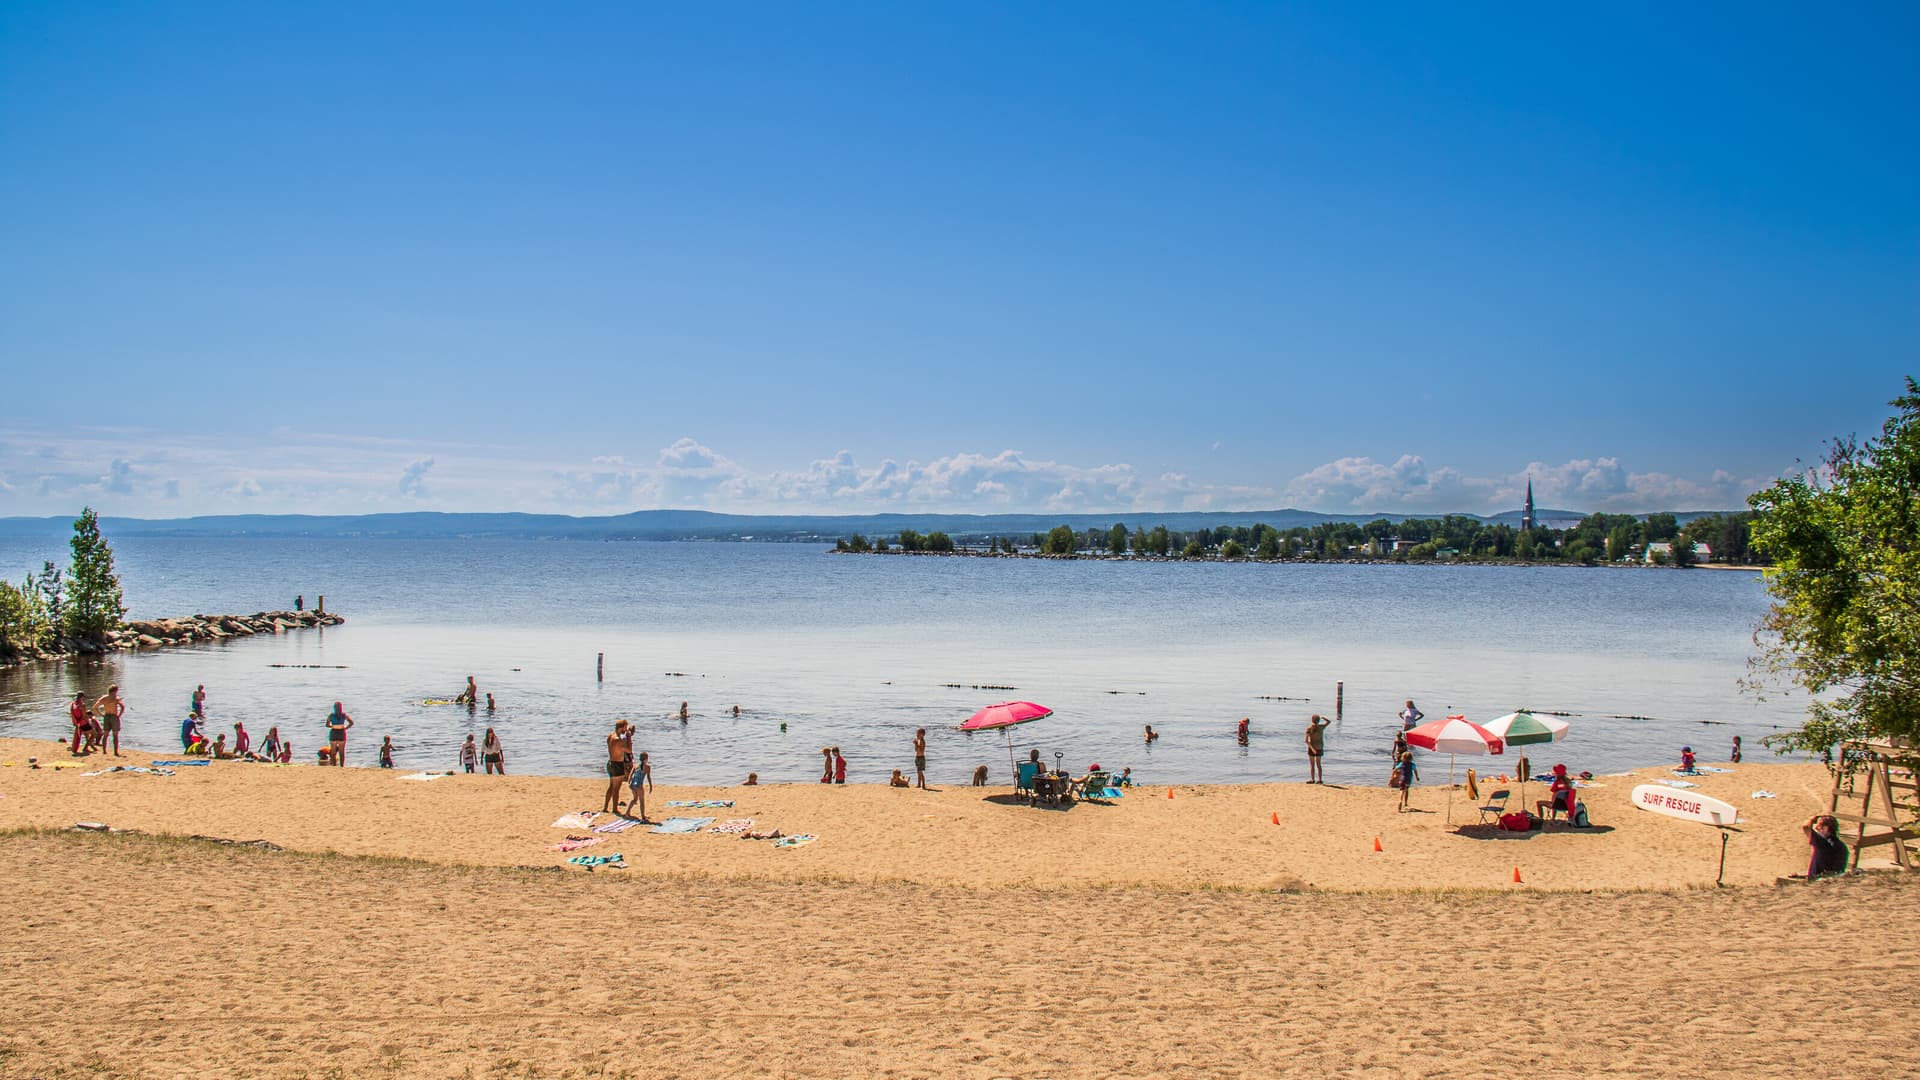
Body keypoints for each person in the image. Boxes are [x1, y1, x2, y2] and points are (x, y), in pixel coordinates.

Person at [604, 721, 633, 814]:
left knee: (611, 786)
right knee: (616, 788)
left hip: (610, 763)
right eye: (625, 727)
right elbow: (629, 750)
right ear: (621, 728)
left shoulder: (610, 736)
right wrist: (629, 737)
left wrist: (626, 736)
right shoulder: (618, 740)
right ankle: (614, 809)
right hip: (617, 764)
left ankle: (605, 807)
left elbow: (620, 743)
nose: (626, 729)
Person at [94, 685, 126, 756]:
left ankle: (104, 751)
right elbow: (122, 707)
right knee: (115, 735)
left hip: (107, 716)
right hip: (114, 717)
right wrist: (119, 715)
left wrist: (101, 714)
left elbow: (95, 707)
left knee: (105, 735)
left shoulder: (104, 698)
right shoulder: (116, 698)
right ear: (115, 691)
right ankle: (115, 752)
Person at [627, 750, 654, 821]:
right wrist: (651, 786)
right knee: (641, 801)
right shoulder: (647, 767)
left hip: (632, 785)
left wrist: (629, 782)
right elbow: (648, 777)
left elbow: (630, 775)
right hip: (639, 785)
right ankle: (643, 816)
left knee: (635, 799)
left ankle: (627, 812)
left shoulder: (635, 765)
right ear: (646, 759)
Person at [325, 702, 353, 766]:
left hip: (334, 732)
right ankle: (341, 766)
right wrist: (346, 728)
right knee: (341, 752)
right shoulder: (344, 715)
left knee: (333, 752)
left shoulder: (331, 715)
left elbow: (327, 725)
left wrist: (333, 726)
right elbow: (351, 723)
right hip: (341, 733)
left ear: (334, 708)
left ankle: (334, 765)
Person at [1305, 714, 1331, 784]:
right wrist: (1324, 718)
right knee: (1319, 765)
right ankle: (1320, 780)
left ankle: (1312, 779)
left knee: (1312, 765)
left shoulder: (1309, 728)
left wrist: (1312, 749)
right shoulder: (1321, 727)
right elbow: (1329, 722)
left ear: (1312, 720)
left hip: (1312, 748)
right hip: (1319, 747)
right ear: (1319, 721)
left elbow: (1306, 741)